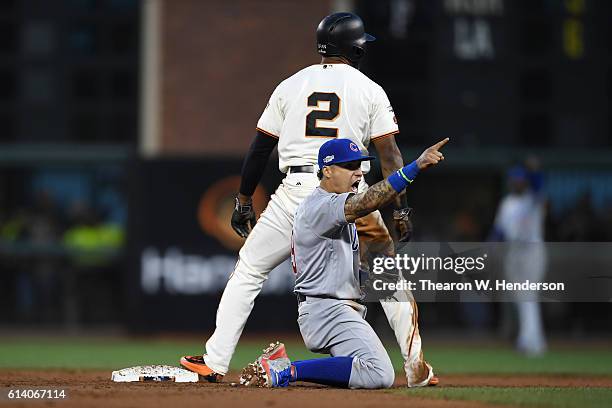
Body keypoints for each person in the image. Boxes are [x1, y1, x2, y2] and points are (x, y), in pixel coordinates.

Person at [181, 12, 434, 386]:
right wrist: (402, 207)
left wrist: (244, 199)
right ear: (357, 49)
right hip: (348, 196)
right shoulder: (369, 89)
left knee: (250, 269)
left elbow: (259, 150)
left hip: (295, 192)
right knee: (387, 276)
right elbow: (390, 154)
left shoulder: (290, 84)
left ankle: (216, 361)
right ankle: (415, 367)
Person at [240, 137, 448, 388]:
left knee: (360, 369)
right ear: (327, 171)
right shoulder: (322, 205)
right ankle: (285, 369)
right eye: (349, 166)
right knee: (380, 373)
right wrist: (413, 168)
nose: (358, 172)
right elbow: (368, 200)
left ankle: (283, 366)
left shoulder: (332, 209)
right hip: (327, 311)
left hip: (329, 307)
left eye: (359, 166)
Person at [491, 159, 547, 356]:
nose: (517, 183)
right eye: (515, 180)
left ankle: (531, 342)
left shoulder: (532, 199)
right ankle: (532, 339)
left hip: (532, 252)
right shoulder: (507, 203)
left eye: (521, 180)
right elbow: (498, 231)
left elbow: (540, 185)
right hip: (513, 252)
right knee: (519, 297)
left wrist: (535, 170)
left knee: (528, 296)